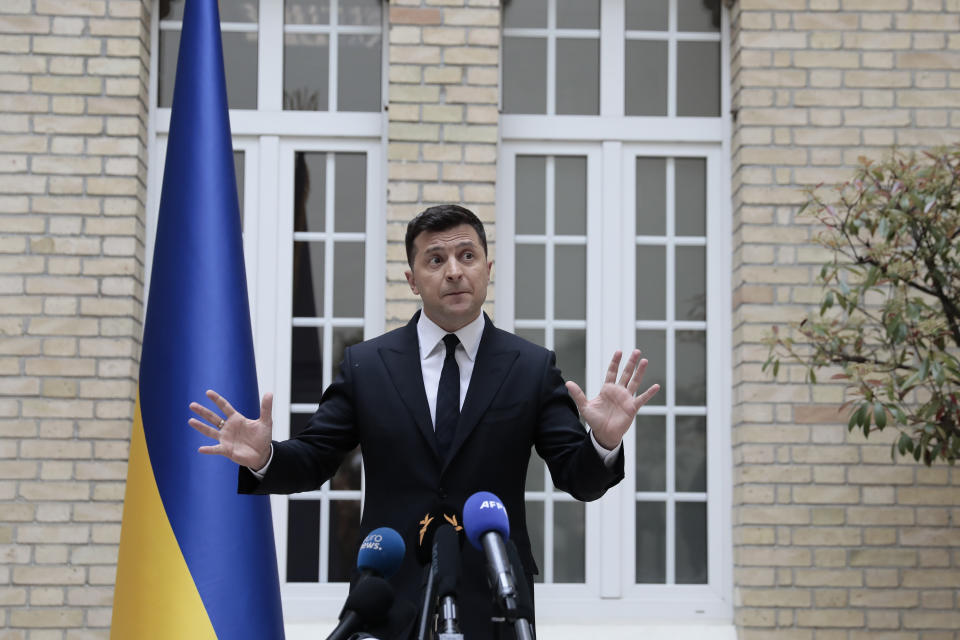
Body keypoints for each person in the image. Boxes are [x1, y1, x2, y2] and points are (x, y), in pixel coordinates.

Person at [188, 204, 659, 638]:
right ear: (412, 279)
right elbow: (315, 458)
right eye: (435, 260)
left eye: (467, 255)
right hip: (388, 594)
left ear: (487, 270)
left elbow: (578, 478)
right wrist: (266, 457)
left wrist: (602, 442)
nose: (454, 271)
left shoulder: (530, 367)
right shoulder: (367, 366)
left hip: (494, 598)